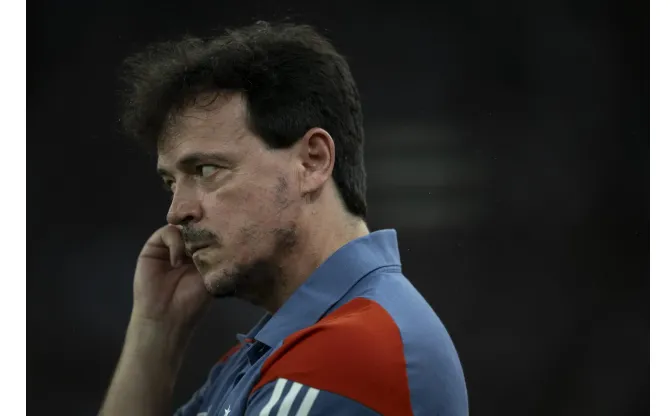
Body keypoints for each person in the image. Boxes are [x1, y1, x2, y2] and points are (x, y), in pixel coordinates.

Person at [100, 21, 468, 416]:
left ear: (313, 162)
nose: (176, 212)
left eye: (206, 170)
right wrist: (156, 330)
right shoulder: (263, 355)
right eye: (171, 183)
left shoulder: (353, 352)